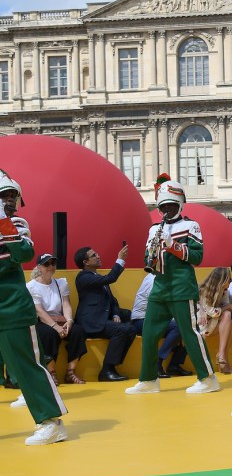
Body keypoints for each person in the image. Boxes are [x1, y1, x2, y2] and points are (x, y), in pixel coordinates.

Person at [124, 175, 218, 394]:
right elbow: (149, 258)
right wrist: (153, 253)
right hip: (160, 286)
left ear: (179, 204)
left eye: (170, 205)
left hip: (182, 287)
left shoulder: (190, 226)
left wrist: (172, 245)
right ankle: (148, 380)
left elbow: (197, 257)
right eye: (163, 206)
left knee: (190, 332)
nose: (166, 209)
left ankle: (208, 378)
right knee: (149, 333)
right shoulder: (153, 229)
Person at [0, 168, 68, 444]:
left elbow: (25, 253)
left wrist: (4, 222)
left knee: (26, 364)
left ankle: (51, 421)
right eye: (4, 195)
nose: (9, 201)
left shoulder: (16, 223)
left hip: (10, 306)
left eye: (12, 196)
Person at [74, 244, 136, 382]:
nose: (98, 256)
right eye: (94, 255)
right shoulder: (83, 277)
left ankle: (113, 366)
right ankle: (106, 370)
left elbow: (112, 301)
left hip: (103, 318)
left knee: (131, 327)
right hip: (92, 322)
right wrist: (120, 260)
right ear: (85, 262)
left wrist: (116, 314)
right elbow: (111, 277)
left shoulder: (98, 277)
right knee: (122, 330)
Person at [28, 253, 88, 385]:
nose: (50, 266)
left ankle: (71, 372)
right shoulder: (32, 286)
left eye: (53, 263)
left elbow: (66, 304)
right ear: (39, 267)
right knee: (48, 334)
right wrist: (55, 326)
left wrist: (69, 321)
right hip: (42, 321)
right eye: (46, 264)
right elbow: (39, 310)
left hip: (60, 320)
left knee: (78, 332)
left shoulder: (61, 283)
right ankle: (51, 373)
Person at [130, 272, 191, 378]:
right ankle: (157, 363)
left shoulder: (163, 279)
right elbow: (158, 308)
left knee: (188, 325)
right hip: (141, 321)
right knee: (180, 326)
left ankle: (174, 365)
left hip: (155, 319)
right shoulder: (153, 281)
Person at [197, 267, 232, 374]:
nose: (231, 282)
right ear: (222, 280)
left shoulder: (224, 292)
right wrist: (227, 307)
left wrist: (223, 309)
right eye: (229, 279)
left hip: (212, 323)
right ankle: (222, 358)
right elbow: (213, 312)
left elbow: (214, 312)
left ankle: (222, 357)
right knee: (227, 313)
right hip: (201, 326)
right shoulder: (204, 290)